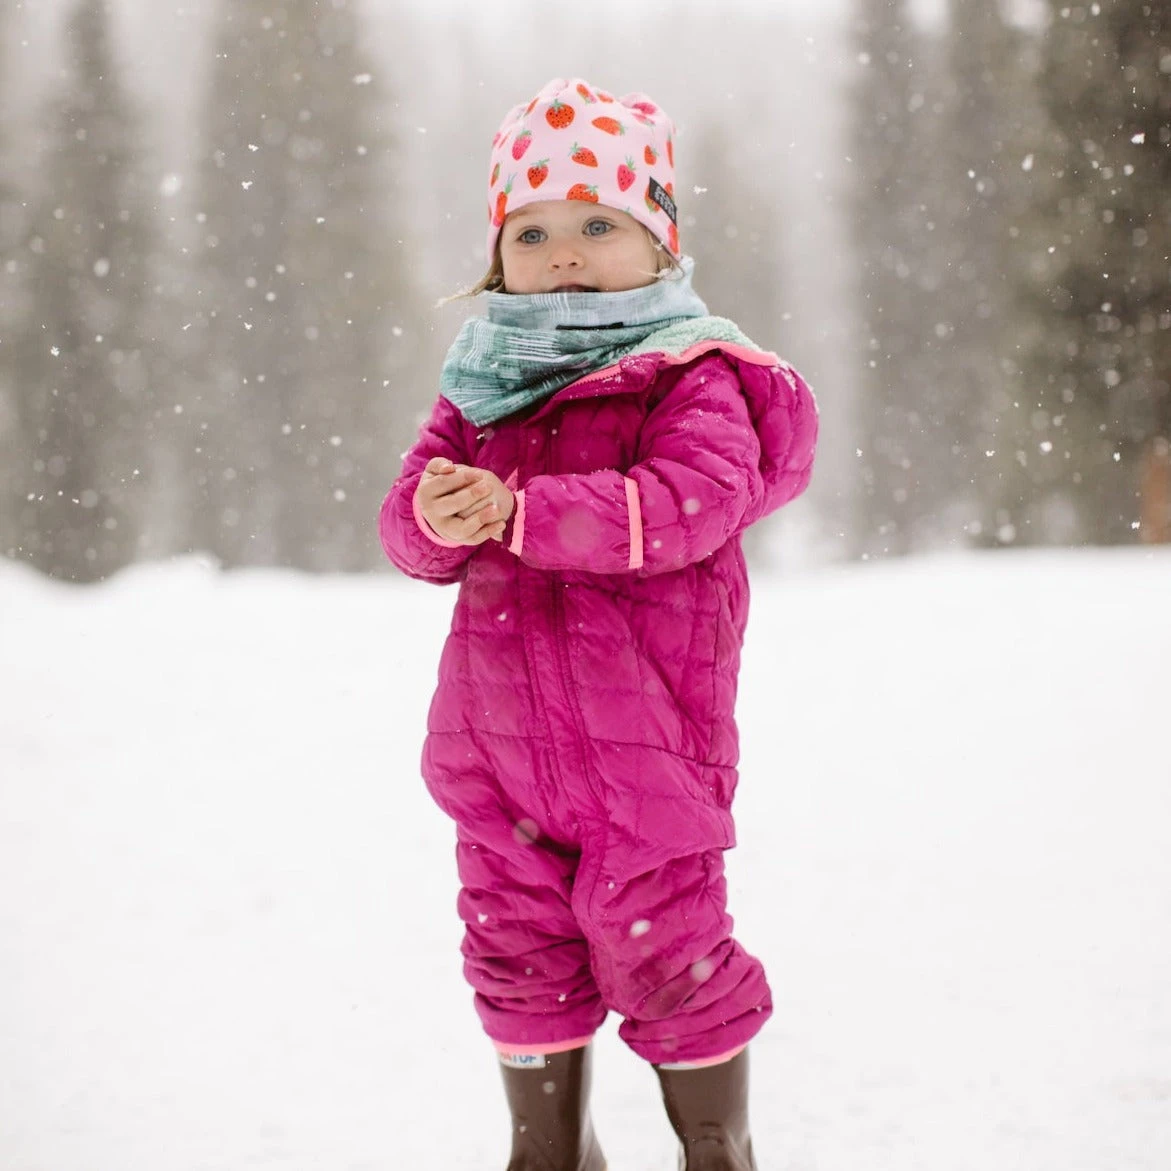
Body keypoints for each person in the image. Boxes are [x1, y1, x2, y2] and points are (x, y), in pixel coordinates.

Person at [379, 76, 818, 1171]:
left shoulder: (690, 371)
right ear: (497, 258)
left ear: (657, 241)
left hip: (647, 746)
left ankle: (716, 1147)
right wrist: (433, 513)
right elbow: (411, 536)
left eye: (596, 222)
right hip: (497, 753)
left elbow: (691, 503)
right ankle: (548, 1150)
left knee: (671, 953)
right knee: (518, 953)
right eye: (532, 230)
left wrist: (526, 513)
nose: (563, 249)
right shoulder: (482, 386)